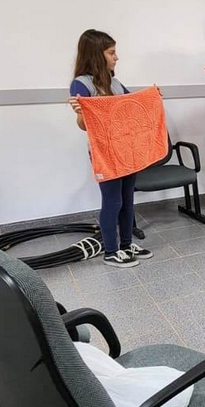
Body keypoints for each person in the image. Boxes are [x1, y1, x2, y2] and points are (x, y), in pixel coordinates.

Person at [67, 29, 154, 269]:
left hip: (125, 149)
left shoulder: (114, 83)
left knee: (127, 200)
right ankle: (111, 251)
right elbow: (84, 125)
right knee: (113, 201)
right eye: (111, 53)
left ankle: (126, 245)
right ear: (96, 54)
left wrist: (151, 98)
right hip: (105, 153)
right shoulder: (82, 84)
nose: (117, 57)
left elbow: (131, 108)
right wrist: (81, 113)